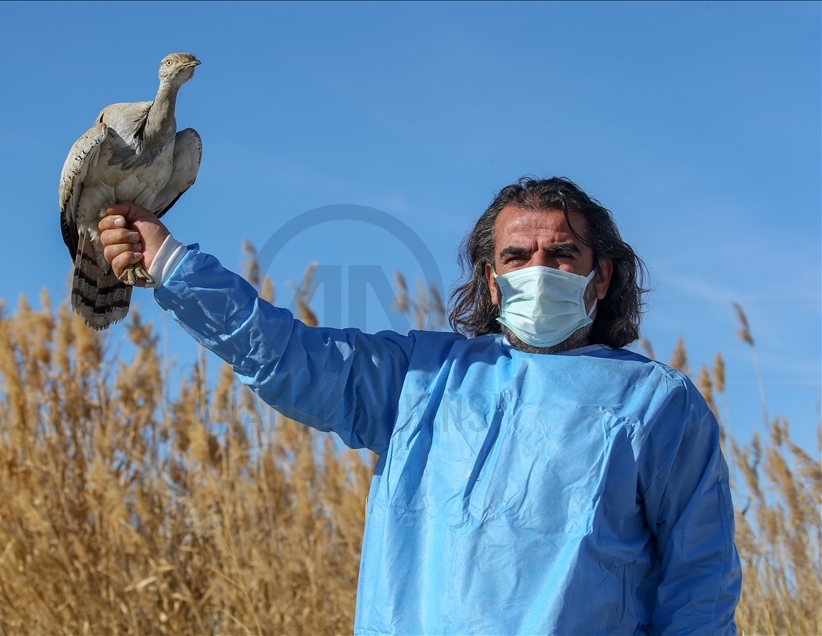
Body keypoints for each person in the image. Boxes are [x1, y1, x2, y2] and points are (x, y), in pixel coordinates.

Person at [98, 177, 741, 635]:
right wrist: (171, 264)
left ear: (601, 276)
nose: (537, 269)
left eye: (562, 253)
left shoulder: (660, 405)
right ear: (492, 280)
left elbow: (700, 582)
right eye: (515, 256)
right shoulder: (422, 377)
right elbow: (286, 355)